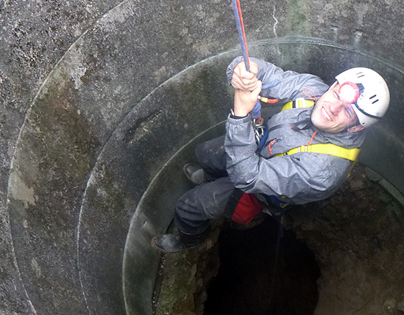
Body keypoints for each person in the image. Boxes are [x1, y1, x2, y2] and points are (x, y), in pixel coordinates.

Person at [152, 57, 390, 253]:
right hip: (258, 144)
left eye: (348, 112)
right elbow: (269, 76)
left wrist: (240, 115)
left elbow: (247, 177)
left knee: (189, 205)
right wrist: (245, 69)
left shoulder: (322, 171)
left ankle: (190, 241)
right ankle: (209, 176)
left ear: (357, 127)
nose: (332, 107)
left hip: (258, 190)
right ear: (335, 85)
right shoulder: (314, 89)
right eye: (338, 94)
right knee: (203, 153)